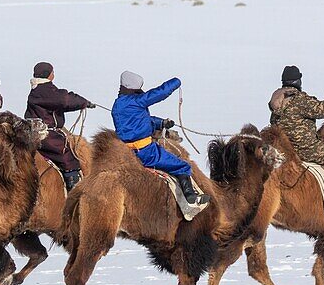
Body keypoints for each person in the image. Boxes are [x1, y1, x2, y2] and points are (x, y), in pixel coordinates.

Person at [268, 65, 324, 213]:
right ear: (298, 81)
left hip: (284, 149)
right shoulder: (299, 99)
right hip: (305, 148)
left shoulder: (277, 102)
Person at [111, 71, 209, 206]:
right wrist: (176, 82)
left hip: (127, 152)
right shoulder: (137, 101)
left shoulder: (118, 105)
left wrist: (161, 123)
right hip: (146, 152)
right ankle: (191, 199)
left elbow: (138, 121)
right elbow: (158, 94)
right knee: (182, 166)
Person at [24, 61, 94, 192]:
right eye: (52, 72)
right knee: (69, 159)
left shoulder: (36, 91)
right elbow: (65, 100)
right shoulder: (46, 90)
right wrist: (84, 103)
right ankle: (73, 191)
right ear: (49, 75)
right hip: (47, 136)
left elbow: (58, 103)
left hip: (33, 134)